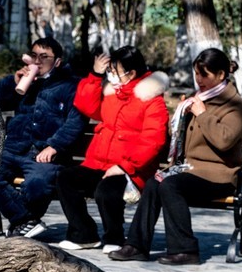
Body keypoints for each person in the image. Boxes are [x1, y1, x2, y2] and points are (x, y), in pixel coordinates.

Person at [107, 47, 242, 265]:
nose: (199, 79)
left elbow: (224, 141)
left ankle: (186, 249)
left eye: (204, 74)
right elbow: (178, 138)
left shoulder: (235, 105)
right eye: (196, 74)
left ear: (221, 75)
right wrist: (180, 116)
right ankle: (136, 245)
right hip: (190, 170)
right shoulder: (197, 99)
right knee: (155, 182)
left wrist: (202, 114)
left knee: (170, 185)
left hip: (218, 176)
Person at [54, 45, 169, 252]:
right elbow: (86, 106)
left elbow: (153, 141)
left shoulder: (152, 101)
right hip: (99, 163)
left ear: (131, 73)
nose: (112, 75)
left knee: (106, 191)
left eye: (115, 71)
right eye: (111, 71)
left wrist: (125, 166)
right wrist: (96, 75)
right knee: (65, 178)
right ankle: (83, 233)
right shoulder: (113, 93)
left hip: (132, 170)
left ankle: (114, 237)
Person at [0, 37, 87, 238]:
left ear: (57, 62)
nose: (37, 61)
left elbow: (76, 121)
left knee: (37, 184)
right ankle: (25, 220)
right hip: (15, 147)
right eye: (33, 56)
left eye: (44, 57)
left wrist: (54, 146)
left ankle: (22, 222)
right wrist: (12, 82)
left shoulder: (71, 85)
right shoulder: (26, 81)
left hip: (44, 151)